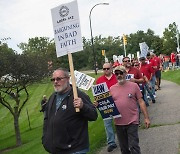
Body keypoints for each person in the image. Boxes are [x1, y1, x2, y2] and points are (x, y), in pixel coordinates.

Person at [42, 68, 98, 154]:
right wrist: (45, 139)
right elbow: (47, 118)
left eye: (59, 79)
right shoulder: (53, 97)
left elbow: (93, 115)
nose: (55, 82)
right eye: (53, 79)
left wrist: (83, 106)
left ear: (68, 79)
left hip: (74, 149)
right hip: (56, 149)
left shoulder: (78, 95)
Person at [110, 66, 150, 154]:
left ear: (125, 73)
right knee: (124, 148)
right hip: (119, 122)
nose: (119, 75)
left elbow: (141, 101)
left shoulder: (134, 86)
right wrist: (98, 104)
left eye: (121, 73)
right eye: (117, 74)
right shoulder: (112, 89)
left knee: (134, 146)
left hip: (132, 121)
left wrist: (146, 118)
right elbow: (108, 105)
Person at [96, 62, 118, 152]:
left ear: (111, 68)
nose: (106, 70)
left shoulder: (117, 77)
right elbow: (97, 94)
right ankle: (111, 142)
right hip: (106, 105)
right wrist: (97, 102)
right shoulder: (99, 80)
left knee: (119, 123)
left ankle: (124, 139)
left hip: (117, 103)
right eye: (104, 69)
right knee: (107, 124)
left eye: (108, 68)